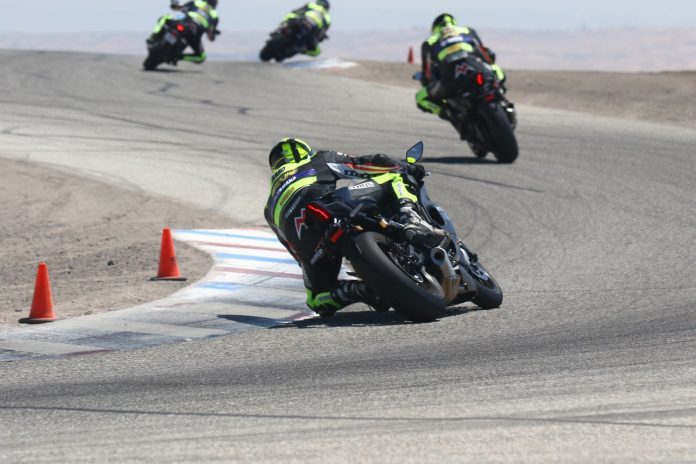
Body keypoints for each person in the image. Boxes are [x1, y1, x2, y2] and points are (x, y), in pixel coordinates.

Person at [264, 138, 442, 317]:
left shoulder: (269, 208)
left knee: (315, 299)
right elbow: (366, 164)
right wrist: (405, 167)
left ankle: (358, 290)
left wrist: (311, 262)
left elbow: (292, 248)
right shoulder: (318, 159)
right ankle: (410, 217)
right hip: (328, 207)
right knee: (394, 175)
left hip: (310, 245)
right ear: (304, 152)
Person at [416, 13, 507, 138]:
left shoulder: (429, 41)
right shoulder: (467, 30)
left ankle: (452, 113)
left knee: (420, 97)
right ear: (453, 22)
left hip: (451, 80)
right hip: (477, 70)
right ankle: (500, 95)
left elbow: (426, 74)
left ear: (434, 28)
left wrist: (427, 82)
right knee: (496, 70)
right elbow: (487, 56)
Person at [149, 0, 220, 64]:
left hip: (183, 24)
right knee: (201, 57)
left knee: (164, 17)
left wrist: (173, 4)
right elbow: (210, 36)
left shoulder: (196, 2)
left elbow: (176, 8)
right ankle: (178, 57)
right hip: (194, 34)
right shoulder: (215, 15)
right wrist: (213, 35)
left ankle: (154, 35)